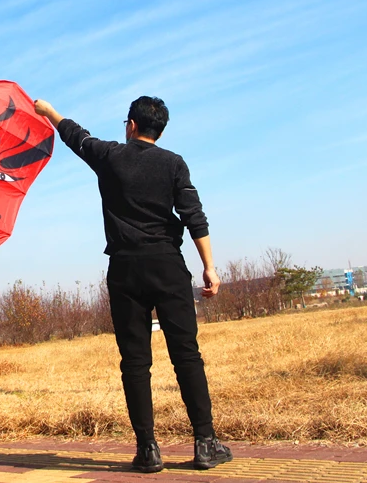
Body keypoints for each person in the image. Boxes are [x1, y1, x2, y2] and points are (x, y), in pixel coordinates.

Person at [34, 96, 232, 473]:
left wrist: (49, 112)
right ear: (159, 131)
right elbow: (194, 216)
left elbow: (77, 136)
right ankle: (206, 444)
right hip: (168, 266)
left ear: (131, 126)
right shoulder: (173, 163)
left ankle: (147, 450)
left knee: (136, 362)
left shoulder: (110, 156)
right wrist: (210, 267)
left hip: (125, 269)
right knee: (186, 355)